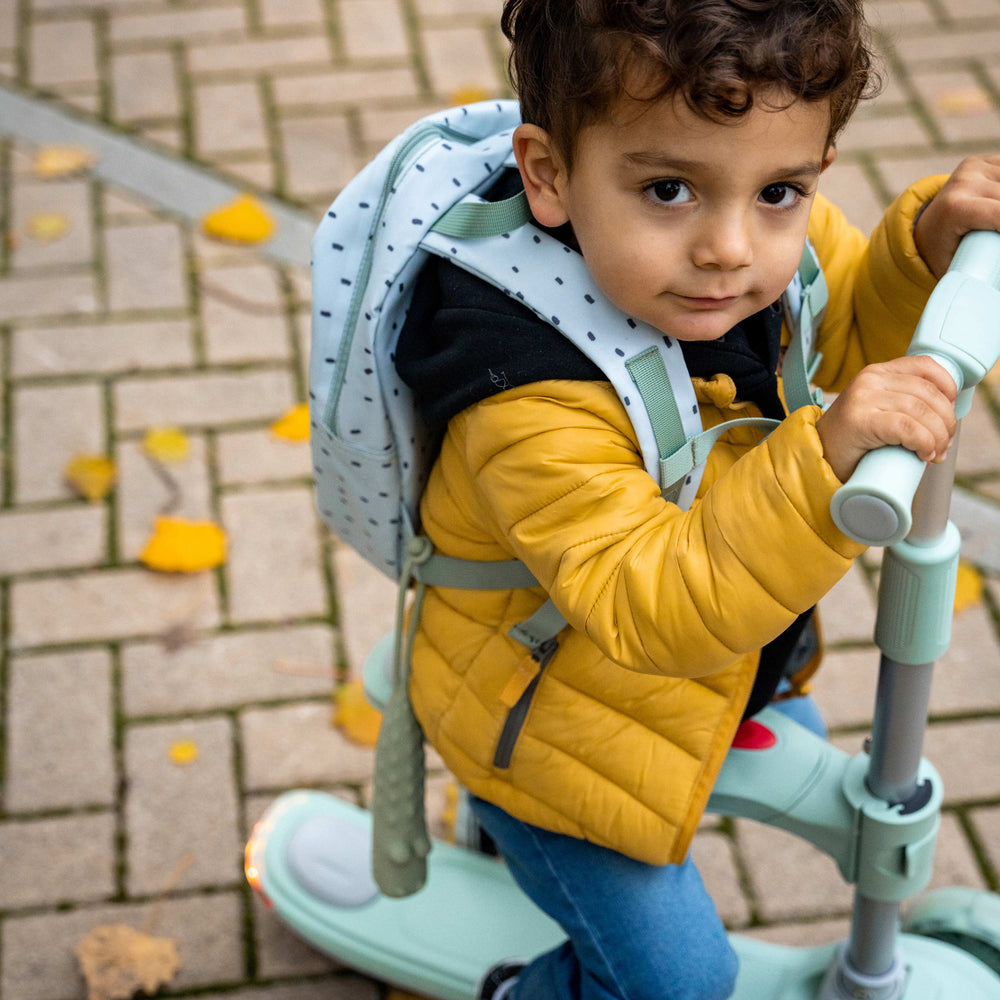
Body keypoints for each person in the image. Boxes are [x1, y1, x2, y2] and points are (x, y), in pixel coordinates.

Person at [392, 1, 1000, 997]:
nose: (729, 247)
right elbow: (653, 606)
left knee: (802, 748)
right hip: (545, 728)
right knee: (680, 980)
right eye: (668, 189)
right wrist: (825, 457)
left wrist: (923, 253)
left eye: (780, 191)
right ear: (548, 174)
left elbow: (842, 326)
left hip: (700, 663)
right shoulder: (526, 393)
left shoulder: (761, 250)